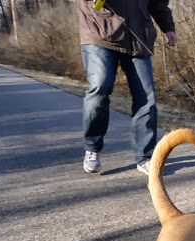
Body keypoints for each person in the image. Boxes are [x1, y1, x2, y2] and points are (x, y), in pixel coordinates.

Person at [75, 0, 177, 174]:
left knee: (147, 97)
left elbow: (158, 3)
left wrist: (168, 27)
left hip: (138, 36)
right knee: (100, 86)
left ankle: (145, 157)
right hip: (98, 31)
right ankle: (92, 147)